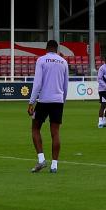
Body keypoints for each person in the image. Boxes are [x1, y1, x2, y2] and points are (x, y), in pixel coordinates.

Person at [27, 39, 69, 173]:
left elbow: (37, 83)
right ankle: (54, 165)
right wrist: (62, 100)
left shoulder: (41, 60)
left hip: (44, 100)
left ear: (46, 49)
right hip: (58, 101)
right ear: (56, 49)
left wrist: (31, 102)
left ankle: (41, 160)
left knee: (35, 128)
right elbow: (65, 85)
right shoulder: (63, 62)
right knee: (55, 133)